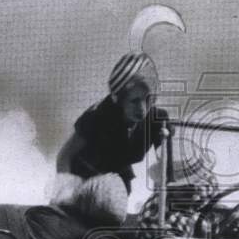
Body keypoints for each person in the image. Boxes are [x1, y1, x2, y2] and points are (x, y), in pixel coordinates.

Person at [55, 53, 168, 194]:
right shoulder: (97, 116)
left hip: (118, 182)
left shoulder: (158, 120)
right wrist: (66, 193)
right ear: (119, 100)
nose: (142, 108)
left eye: (148, 99)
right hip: (81, 180)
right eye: (134, 101)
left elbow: (164, 163)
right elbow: (64, 157)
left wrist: (160, 196)